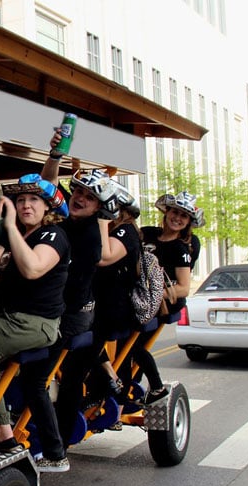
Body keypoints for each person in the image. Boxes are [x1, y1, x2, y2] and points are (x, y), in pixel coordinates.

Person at [0, 173, 71, 473]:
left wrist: (9, 227)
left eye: (33, 200)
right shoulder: (18, 233)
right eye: (20, 200)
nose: (25, 205)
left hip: (32, 323)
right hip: (12, 321)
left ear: (48, 207)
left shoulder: (52, 236)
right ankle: (4, 432)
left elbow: (34, 268)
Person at [55, 180, 142, 443]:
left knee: (73, 371)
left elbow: (104, 257)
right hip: (91, 306)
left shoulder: (123, 232)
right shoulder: (80, 224)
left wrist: (104, 219)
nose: (80, 198)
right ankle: (106, 381)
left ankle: (63, 438)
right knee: (71, 367)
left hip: (109, 310)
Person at [131, 191, 204, 405]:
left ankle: (156, 386)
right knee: (121, 347)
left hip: (162, 304)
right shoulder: (147, 233)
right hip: (137, 299)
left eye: (184, 215)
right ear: (166, 212)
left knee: (131, 345)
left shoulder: (181, 248)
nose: (177, 218)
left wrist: (151, 293)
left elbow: (183, 288)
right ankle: (126, 389)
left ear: (189, 221)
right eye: (174, 212)